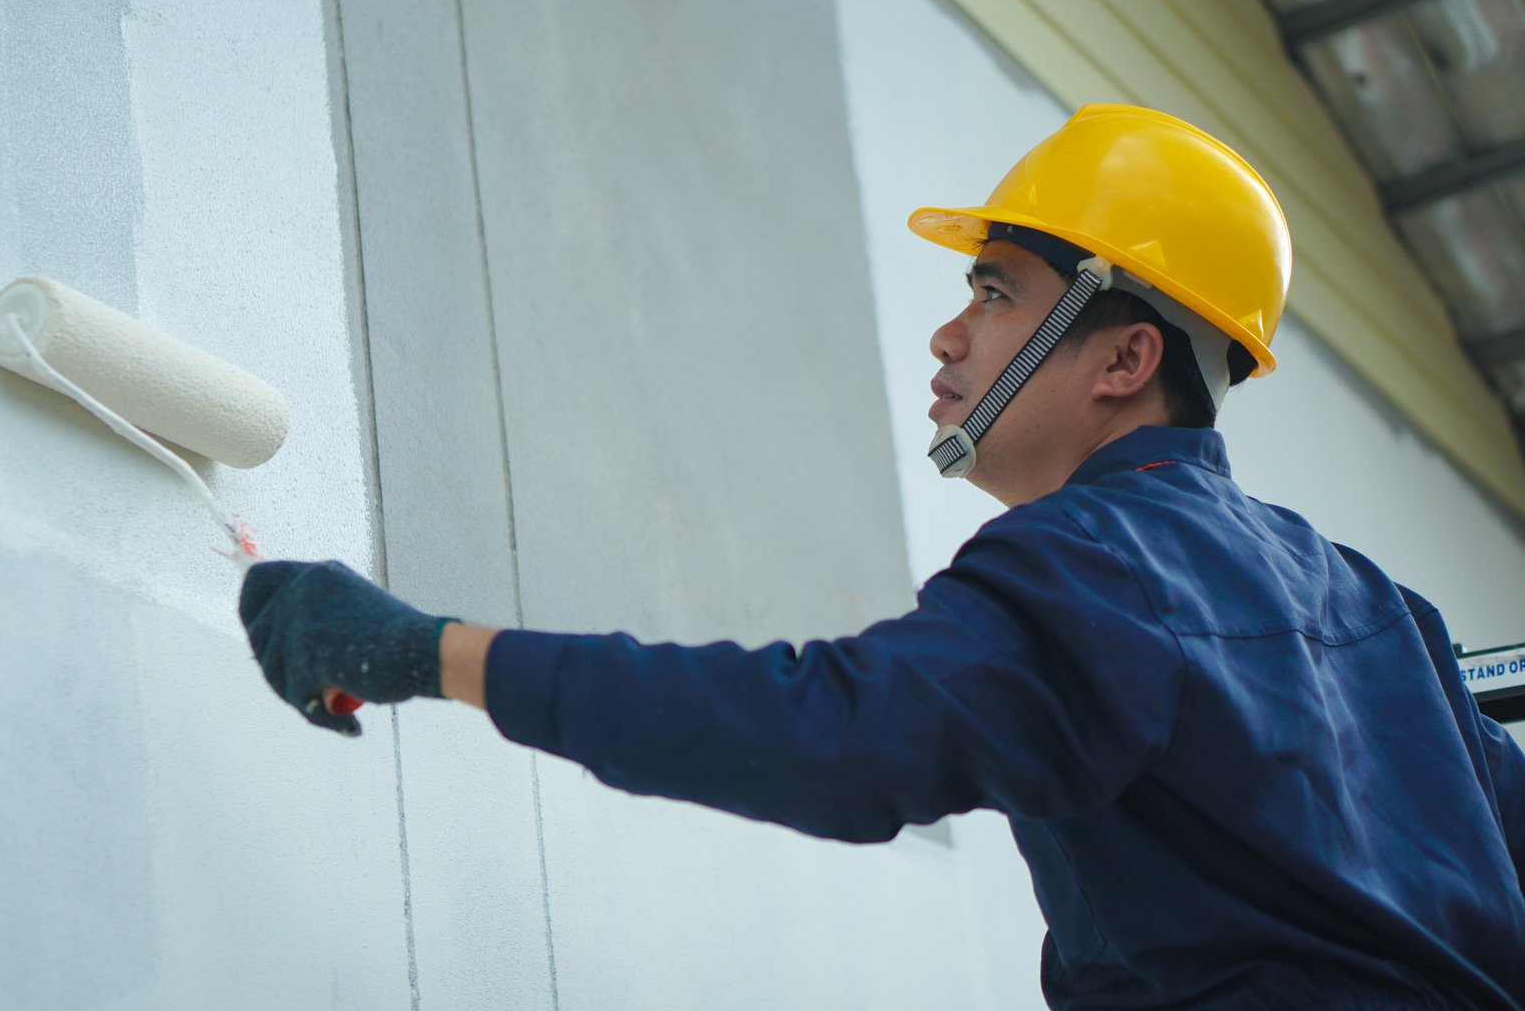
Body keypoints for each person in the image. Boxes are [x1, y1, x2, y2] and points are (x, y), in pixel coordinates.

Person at [239, 105, 1525, 1008]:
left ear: (1127, 359)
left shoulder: (1088, 568)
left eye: (1000, 293)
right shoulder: (1378, 612)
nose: (950, 337)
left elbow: (830, 731)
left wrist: (430, 652)